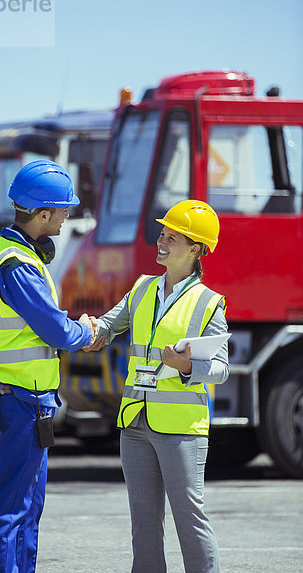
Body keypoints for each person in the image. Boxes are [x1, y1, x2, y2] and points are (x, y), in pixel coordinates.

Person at [0, 160, 97, 573]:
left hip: (24, 398)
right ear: (41, 214)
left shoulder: (9, 254)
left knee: (27, 507)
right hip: (18, 399)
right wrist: (85, 333)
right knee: (12, 508)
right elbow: (55, 330)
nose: (66, 216)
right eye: (62, 209)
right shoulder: (17, 264)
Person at [85, 200, 229, 573]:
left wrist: (185, 367)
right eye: (161, 234)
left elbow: (220, 370)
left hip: (180, 428)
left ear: (196, 249)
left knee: (189, 520)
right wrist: (90, 329)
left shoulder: (208, 302)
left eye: (172, 238)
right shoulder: (142, 288)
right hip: (134, 422)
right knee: (144, 524)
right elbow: (106, 325)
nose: (161, 242)